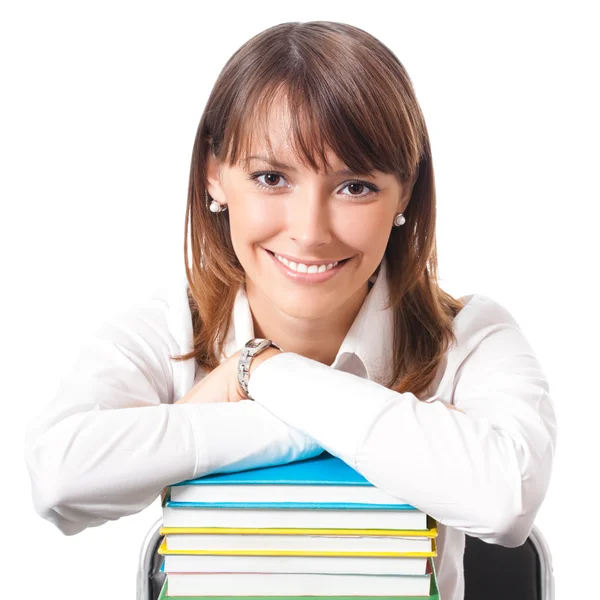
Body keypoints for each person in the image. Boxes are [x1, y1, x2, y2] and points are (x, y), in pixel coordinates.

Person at [24, 21, 557, 600]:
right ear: (214, 174)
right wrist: (330, 424)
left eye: (355, 186)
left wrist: (263, 373)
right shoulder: (164, 331)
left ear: (405, 193)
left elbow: (505, 502)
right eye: (271, 177)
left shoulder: (471, 336)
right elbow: (58, 481)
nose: (309, 232)